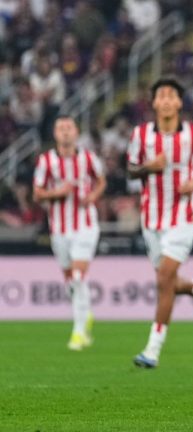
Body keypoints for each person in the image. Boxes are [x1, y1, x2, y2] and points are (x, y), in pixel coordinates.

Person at [127, 77, 193, 368]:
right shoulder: (141, 135)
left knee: (164, 277)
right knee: (166, 280)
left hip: (184, 215)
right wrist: (147, 167)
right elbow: (130, 170)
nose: (166, 100)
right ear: (153, 103)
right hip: (151, 219)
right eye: (161, 96)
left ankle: (153, 349)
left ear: (179, 102)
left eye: (171, 96)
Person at [33, 114, 106, 351]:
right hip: (59, 228)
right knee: (70, 282)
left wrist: (93, 196)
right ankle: (86, 313)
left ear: (76, 132)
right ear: (55, 134)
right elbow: (38, 194)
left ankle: (79, 332)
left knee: (77, 276)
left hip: (85, 225)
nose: (65, 132)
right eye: (61, 128)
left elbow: (101, 181)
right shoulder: (46, 161)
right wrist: (58, 192)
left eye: (69, 128)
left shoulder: (87, 158)